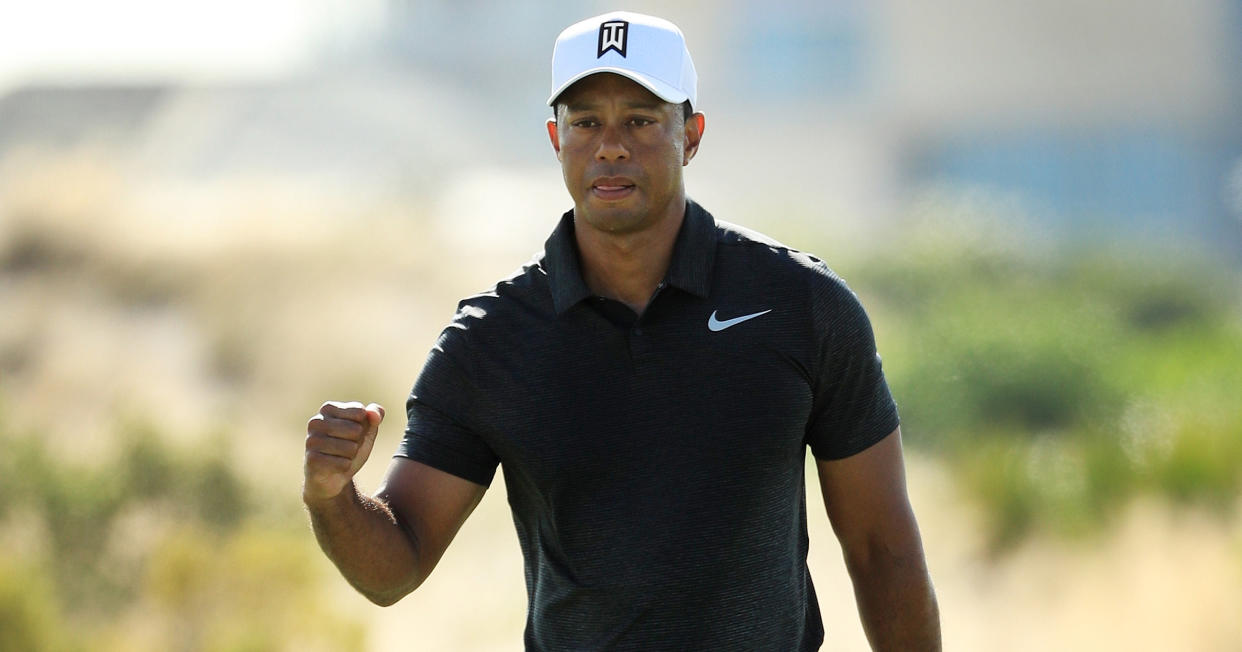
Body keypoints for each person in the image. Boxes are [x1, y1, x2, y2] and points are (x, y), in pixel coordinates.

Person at [303, 11, 940, 651]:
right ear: (556, 138)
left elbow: (882, 549)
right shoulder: (491, 341)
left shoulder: (800, 304)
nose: (610, 145)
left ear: (690, 135)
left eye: (639, 119)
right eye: (586, 122)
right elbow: (397, 565)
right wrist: (335, 496)